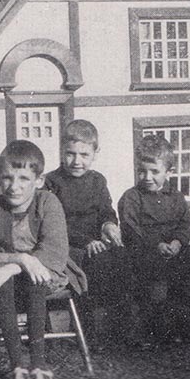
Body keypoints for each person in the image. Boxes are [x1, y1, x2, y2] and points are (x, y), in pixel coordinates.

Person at [0, 140, 83, 379]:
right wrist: (19, 260)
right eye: (7, 178)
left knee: (35, 278)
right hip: (4, 279)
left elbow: (54, 249)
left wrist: (19, 265)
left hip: (45, 273)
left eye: (23, 178)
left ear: (38, 181)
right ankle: (18, 365)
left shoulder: (48, 203)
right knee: (4, 281)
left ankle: (39, 365)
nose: (14, 186)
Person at [43, 120, 133, 343]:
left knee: (123, 258)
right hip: (67, 246)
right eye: (70, 154)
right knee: (94, 263)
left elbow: (106, 210)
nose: (76, 161)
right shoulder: (52, 182)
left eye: (84, 155)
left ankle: (121, 328)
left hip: (96, 242)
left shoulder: (97, 180)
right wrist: (86, 241)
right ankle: (87, 330)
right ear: (62, 152)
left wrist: (109, 225)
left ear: (95, 153)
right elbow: (54, 223)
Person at [117, 134, 190, 346]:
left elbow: (185, 223)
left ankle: (185, 326)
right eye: (142, 170)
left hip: (175, 250)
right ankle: (154, 330)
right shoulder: (131, 197)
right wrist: (156, 244)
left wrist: (177, 242)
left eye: (154, 171)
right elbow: (130, 228)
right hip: (145, 250)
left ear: (169, 172)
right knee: (155, 286)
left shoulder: (176, 197)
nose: (147, 176)